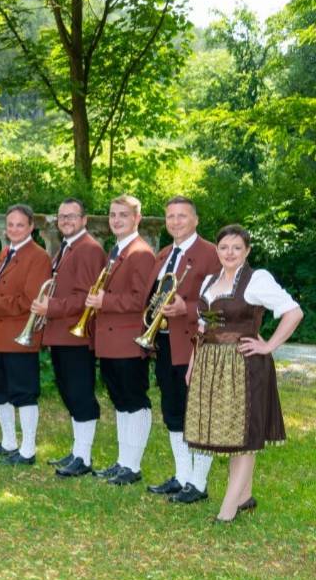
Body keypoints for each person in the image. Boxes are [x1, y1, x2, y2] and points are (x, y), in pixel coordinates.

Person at [185, 224, 303, 523]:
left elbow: (293, 311)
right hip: (212, 365)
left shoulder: (257, 280)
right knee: (229, 431)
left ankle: (228, 508)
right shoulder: (209, 282)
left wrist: (269, 346)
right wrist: (192, 363)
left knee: (243, 435)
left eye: (237, 248)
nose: (230, 253)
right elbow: (202, 327)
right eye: (224, 247)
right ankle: (245, 495)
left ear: (247, 251)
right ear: (217, 249)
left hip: (244, 365)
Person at [143, 196, 220, 504]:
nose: (175, 222)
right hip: (164, 342)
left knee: (198, 414)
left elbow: (221, 302)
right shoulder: (164, 254)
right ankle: (182, 476)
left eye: (182, 216)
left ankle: (199, 484)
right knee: (174, 412)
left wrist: (186, 308)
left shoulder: (211, 254)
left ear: (196, 220)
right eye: (170, 217)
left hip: (194, 344)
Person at [29, 198, 107, 478]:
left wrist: (52, 307)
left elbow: (87, 297)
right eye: (62, 217)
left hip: (75, 333)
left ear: (84, 220)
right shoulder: (67, 247)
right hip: (60, 333)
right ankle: (77, 451)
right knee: (69, 393)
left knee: (80, 394)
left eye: (72, 216)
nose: (66, 221)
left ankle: (84, 458)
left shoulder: (88, 249)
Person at [88, 195, 156, 486]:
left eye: (123, 215)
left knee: (135, 401)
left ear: (137, 218)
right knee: (119, 400)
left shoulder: (141, 253)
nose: (116, 220)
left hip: (128, 339)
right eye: (113, 215)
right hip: (110, 340)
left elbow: (141, 299)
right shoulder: (115, 249)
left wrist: (105, 300)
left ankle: (133, 466)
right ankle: (122, 461)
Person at [0, 205, 52, 464]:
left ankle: (28, 450)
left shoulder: (38, 256)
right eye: (10, 224)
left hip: (20, 332)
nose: (14, 229)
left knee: (23, 392)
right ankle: (9, 442)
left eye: (20, 225)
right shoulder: (6, 251)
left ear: (31, 227)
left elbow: (30, 299)